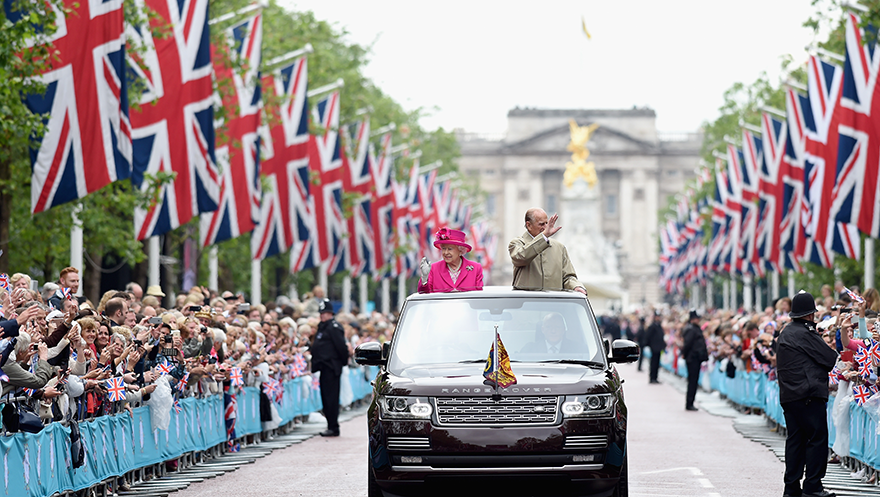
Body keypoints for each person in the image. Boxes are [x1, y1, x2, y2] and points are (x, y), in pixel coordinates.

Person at [777, 291, 839, 497]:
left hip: (790, 395)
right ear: (811, 314)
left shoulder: (786, 332)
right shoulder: (805, 333)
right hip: (809, 393)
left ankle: (791, 487)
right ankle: (813, 487)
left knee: (795, 441)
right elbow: (829, 358)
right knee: (816, 439)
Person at [508, 208, 586, 293]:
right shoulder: (517, 243)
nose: (546, 227)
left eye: (546, 223)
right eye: (541, 224)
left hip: (552, 303)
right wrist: (544, 237)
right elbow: (522, 257)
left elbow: (568, 277)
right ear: (529, 225)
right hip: (527, 303)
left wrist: (576, 286)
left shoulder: (559, 248)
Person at [310, 299, 350, 437]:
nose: (322, 315)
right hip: (324, 367)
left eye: (324, 313)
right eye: (321, 313)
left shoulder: (333, 327)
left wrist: (341, 363)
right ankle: (330, 425)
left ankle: (333, 426)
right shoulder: (323, 327)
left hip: (331, 367)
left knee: (331, 398)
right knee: (326, 398)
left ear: (330, 313)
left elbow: (341, 347)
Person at [418, 228, 484, 293]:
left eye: (450, 249)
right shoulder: (433, 269)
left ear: (460, 251)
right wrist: (424, 279)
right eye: (443, 249)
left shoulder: (475, 268)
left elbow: (479, 297)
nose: (446, 253)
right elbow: (424, 296)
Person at [681, 310, 708, 411]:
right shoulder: (691, 329)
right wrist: (685, 354)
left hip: (695, 358)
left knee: (693, 381)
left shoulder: (694, 328)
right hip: (693, 358)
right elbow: (687, 344)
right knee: (692, 381)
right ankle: (689, 403)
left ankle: (690, 402)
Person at [520, 312, 585, 354]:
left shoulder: (577, 349)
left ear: (564, 329)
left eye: (557, 327)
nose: (553, 331)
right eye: (548, 327)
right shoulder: (529, 349)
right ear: (543, 329)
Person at [643, 312, 664, 384]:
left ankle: (655, 377)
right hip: (654, 347)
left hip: (659, 347)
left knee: (657, 363)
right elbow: (648, 336)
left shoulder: (659, 326)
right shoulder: (652, 326)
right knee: (653, 363)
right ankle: (652, 377)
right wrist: (650, 345)